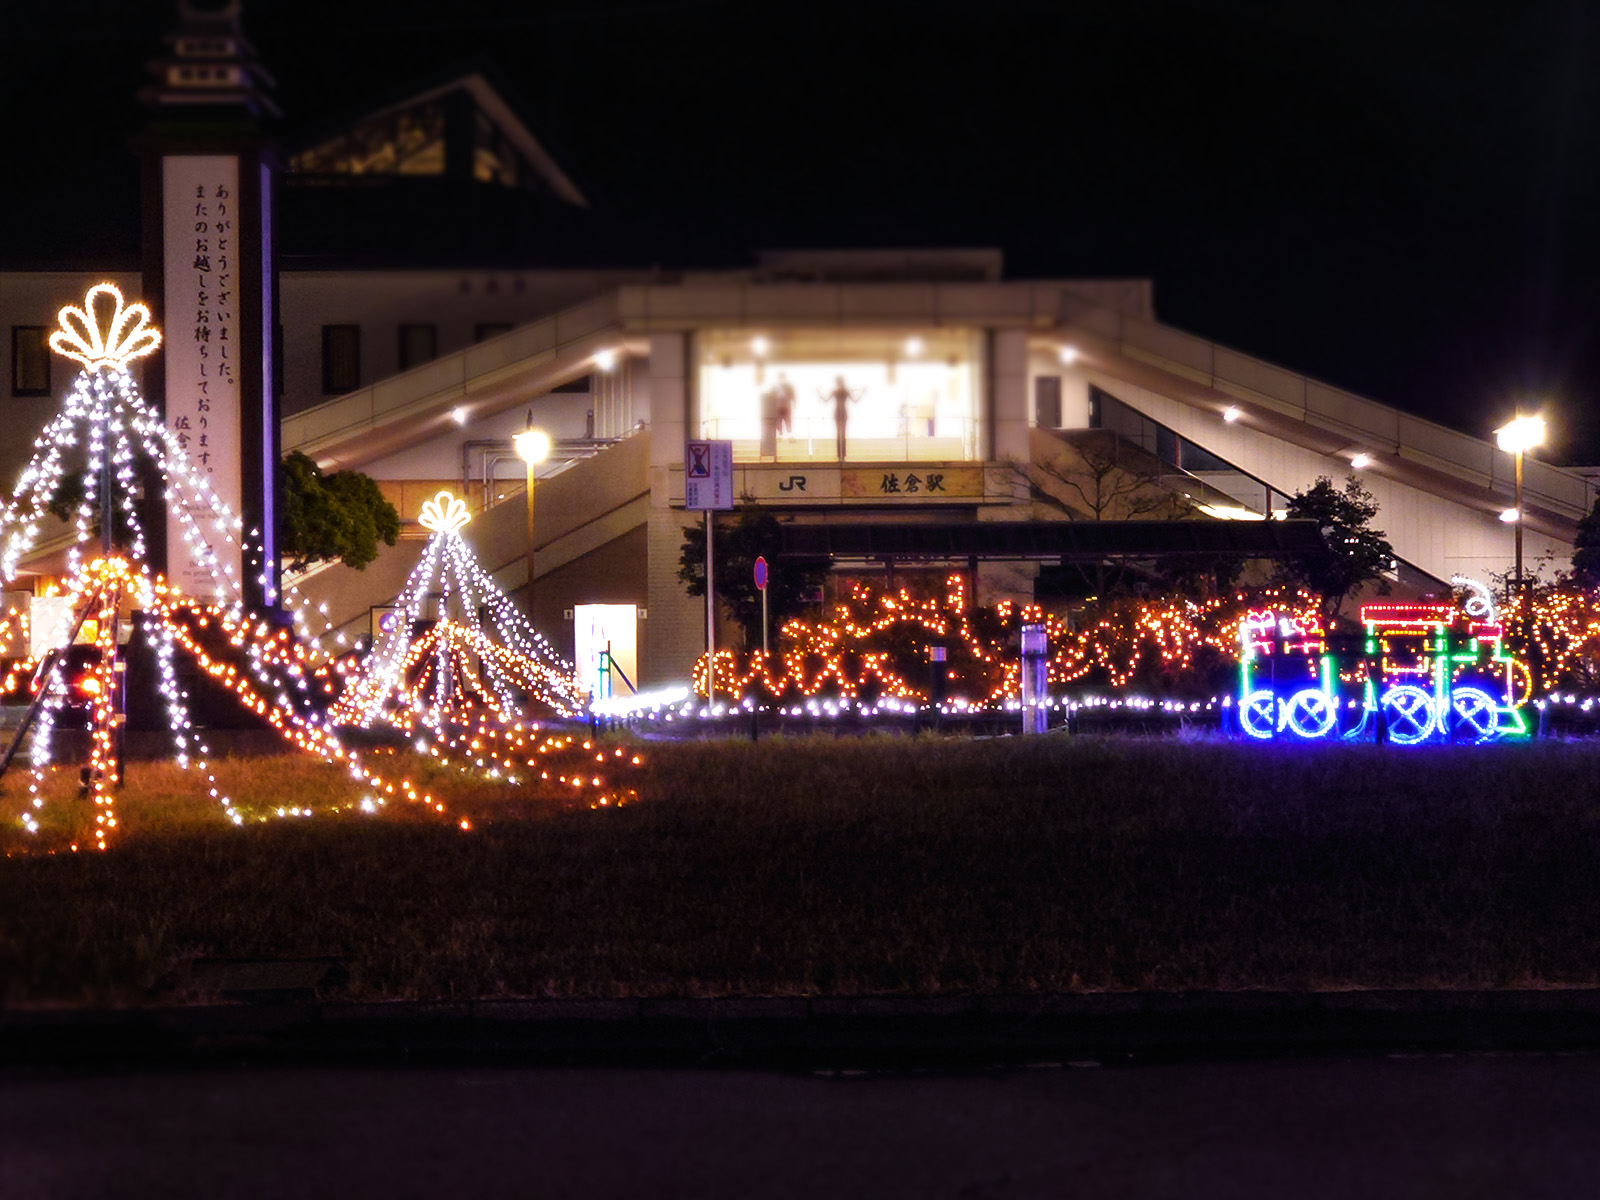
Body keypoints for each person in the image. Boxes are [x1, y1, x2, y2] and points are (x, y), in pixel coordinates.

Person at [825, 375, 859, 460]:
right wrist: (862, 393)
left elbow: (825, 400)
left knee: (839, 433)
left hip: (838, 412)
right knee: (842, 433)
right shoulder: (845, 391)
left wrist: (817, 392)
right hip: (843, 412)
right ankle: (842, 455)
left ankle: (840, 455)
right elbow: (855, 401)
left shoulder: (836, 391)